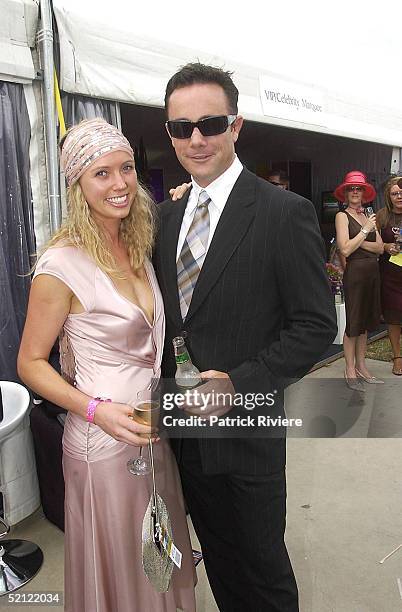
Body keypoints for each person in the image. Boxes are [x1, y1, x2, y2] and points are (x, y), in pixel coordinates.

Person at [154, 62, 337, 612]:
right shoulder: (165, 218)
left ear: (237, 125)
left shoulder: (284, 213)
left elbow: (315, 327)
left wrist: (238, 382)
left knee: (263, 577)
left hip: (245, 433)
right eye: (181, 127)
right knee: (219, 571)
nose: (196, 138)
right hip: (180, 436)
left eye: (210, 123)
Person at [17, 119, 196, 612]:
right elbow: (30, 363)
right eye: (101, 174)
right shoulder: (60, 265)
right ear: (77, 183)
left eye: (127, 169)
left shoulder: (138, 244)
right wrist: (97, 410)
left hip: (151, 432)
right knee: (119, 571)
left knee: (158, 557)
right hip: (102, 443)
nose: (119, 184)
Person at [334, 170, 384, 390]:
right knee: (353, 323)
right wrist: (364, 232)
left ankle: (362, 366)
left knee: (364, 324)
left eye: (359, 188)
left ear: (364, 193)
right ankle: (350, 368)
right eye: (351, 188)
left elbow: (380, 248)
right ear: (345, 193)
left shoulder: (368, 216)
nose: (355, 192)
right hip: (355, 275)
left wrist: (359, 240)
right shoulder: (342, 216)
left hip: (372, 273)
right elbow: (344, 249)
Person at [376, 176, 402, 375]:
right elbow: (374, 245)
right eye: (395, 193)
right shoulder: (382, 216)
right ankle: (397, 358)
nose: (399, 196)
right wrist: (385, 246)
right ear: (388, 196)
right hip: (390, 277)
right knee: (393, 318)